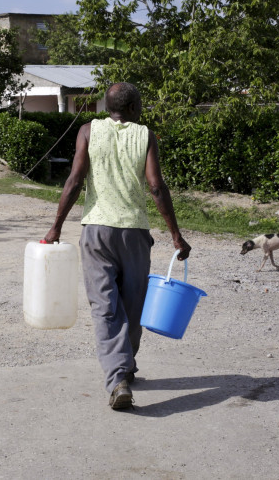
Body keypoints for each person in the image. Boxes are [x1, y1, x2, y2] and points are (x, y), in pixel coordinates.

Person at [43, 82, 191, 410]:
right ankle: (122, 369)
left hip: (96, 230)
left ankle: (119, 375)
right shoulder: (146, 135)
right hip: (134, 232)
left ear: (106, 106)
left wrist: (56, 227)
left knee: (104, 305)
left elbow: (75, 180)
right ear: (135, 107)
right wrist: (176, 235)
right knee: (132, 304)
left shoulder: (86, 131)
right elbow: (155, 185)